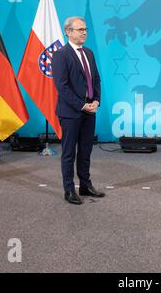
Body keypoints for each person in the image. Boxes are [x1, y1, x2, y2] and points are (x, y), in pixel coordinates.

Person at [52, 16, 105, 205]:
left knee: (85, 150)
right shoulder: (61, 55)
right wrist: (82, 104)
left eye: (85, 29)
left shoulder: (89, 53)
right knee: (69, 153)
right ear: (68, 32)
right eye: (80, 29)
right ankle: (68, 190)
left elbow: (96, 79)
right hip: (71, 112)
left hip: (89, 110)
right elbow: (62, 86)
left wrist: (96, 101)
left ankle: (85, 185)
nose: (84, 32)